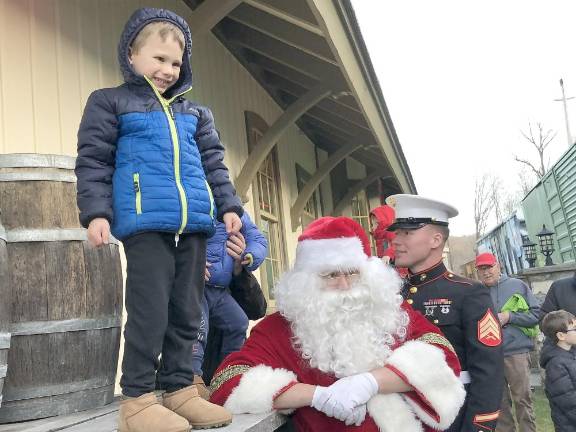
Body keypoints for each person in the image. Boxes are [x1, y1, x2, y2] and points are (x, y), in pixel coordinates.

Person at [75, 7, 240, 431]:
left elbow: (214, 164)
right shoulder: (110, 101)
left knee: (187, 310)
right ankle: (138, 400)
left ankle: (179, 388)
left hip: (195, 227)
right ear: (132, 55)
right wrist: (96, 213)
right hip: (146, 223)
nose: (167, 70)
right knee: (150, 311)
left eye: (175, 62)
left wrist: (229, 207)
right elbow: (94, 161)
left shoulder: (196, 114)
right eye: (158, 59)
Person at [209, 216, 466, 431]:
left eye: (353, 272)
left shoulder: (388, 311)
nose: (344, 286)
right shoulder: (279, 328)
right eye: (331, 274)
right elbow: (227, 382)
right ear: (305, 281)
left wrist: (371, 382)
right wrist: (318, 396)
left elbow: (443, 355)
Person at [387, 194, 504, 432]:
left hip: (450, 420)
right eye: (396, 232)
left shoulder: (469, 293)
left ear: (435, 239)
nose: (395, 240)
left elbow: (488, 373)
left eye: (406, 233)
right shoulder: (389, 292)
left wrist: (477, 427)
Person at [192, 212, 268, 395]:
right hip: (194, 287)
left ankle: (230, 371)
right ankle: (191, 375)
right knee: (197, 326)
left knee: (239, 321)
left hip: (220, 287)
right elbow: (173, 238)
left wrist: (242, 264)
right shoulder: (192, 204)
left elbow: (257, 309)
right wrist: (187, 262)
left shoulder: (237, 215)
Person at [475, 252, 539, 432]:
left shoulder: (517, 285)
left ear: (498, 265)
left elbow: (536, 315)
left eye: (489, 267)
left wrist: (509, 316)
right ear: (478, 272)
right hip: (489, 356)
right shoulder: (476, 291)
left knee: (522, 399)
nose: (486, 272)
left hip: (516, 353)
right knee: (499, 403)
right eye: (482, 269)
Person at [539, 310, 576, 431]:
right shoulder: (556, 365)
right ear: (561, 336)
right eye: (574, 328)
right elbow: (568, 402)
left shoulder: (571, 354)